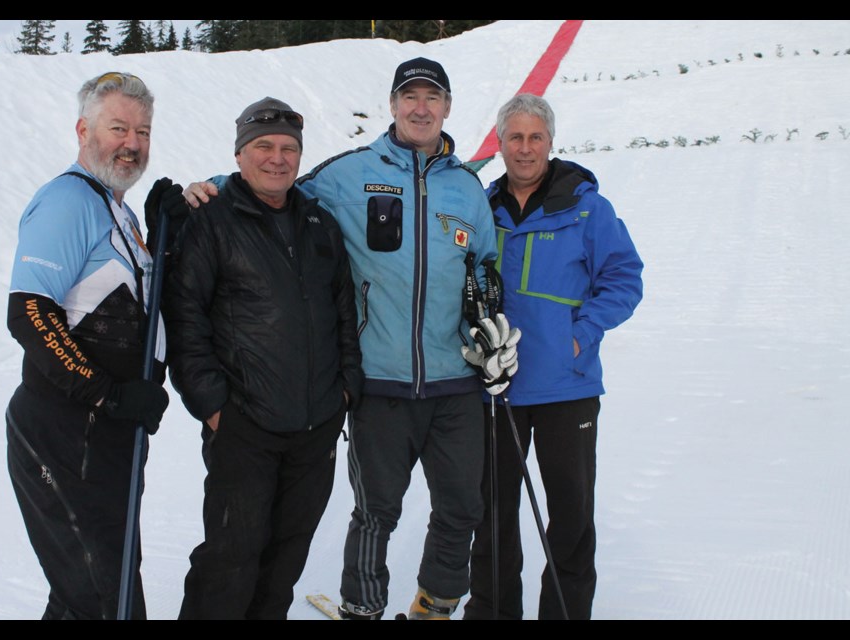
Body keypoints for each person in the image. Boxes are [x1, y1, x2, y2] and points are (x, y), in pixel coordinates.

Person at [183, 58, 509, 620]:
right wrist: (207, 189)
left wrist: (490, 331)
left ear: (448, 108)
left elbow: (483, 269)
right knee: (376, 511)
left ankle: (435, 605)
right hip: (380, 377)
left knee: (463, 506)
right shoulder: (349, 173)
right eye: (410, 96)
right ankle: (363, 607)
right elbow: (273, 184)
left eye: (433, 97)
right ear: (392, 105)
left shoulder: (466, 188)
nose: (421, 107)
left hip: (454, 380)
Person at [163, 97, 364, 620]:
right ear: (239, 154)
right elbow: (185, 318)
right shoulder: (211, 221)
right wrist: (213, 406)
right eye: (263, 146)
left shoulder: (319, 222)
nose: (277, 158)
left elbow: (344, 310)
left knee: (284, 562)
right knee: (229, 561)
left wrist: (345, 389)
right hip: (244, 426)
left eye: (288, 149)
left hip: (315, 425)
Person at [5, 71, 186, 619]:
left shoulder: (116, 209)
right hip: (64, 430)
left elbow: (119, 301)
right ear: (84, 130)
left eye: (143, 131)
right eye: (119, 128)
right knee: (105, 595)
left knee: (92, 589)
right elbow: (31, 313)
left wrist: (161, 237)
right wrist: (107, 395)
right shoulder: (67, 199)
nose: (132, 143)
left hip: (107, 436)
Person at [462, 94, 644, 620]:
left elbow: (624, 278)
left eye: (534, 137)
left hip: (568, 387)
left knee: (569, 517)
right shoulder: (482, 205)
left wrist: (580, 334)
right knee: (492, 516)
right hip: (498, 386)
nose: (524, 148)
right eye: (514, 137)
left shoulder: (587, 207)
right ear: (500, 143)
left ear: (550, 142)